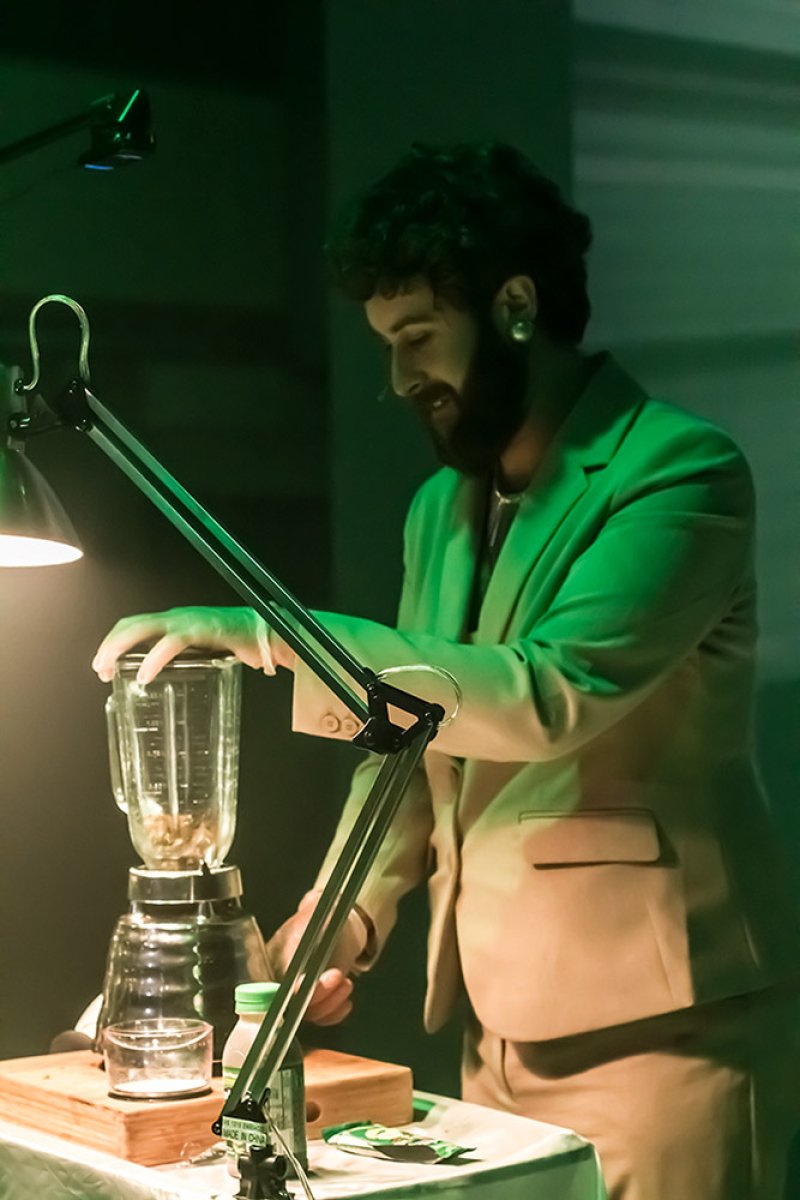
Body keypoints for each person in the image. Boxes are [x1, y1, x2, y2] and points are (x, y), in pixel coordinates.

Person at [92, 142, 800, 1200]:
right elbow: (416, 741)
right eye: (386, 345)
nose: (398, 379)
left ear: (514, 306)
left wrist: (272, 633)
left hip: (664, 1041)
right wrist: (339, 920)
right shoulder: (441, 508)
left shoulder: (680, 472)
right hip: (490, 1032)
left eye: (418, 337)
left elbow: (544, 695)